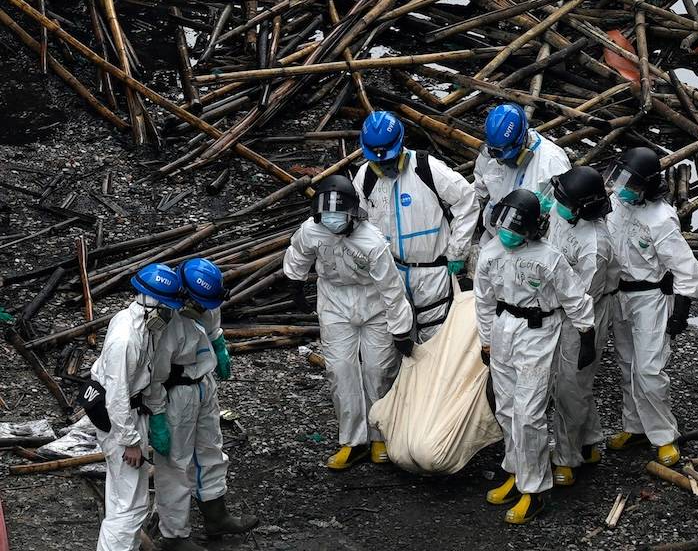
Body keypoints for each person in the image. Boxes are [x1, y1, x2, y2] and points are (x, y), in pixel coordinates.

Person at [474, 189, 595, 524]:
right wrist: (486, 342)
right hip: (504, 327)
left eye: (516, 225)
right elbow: (483, 301)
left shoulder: (549, 257)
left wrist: (587, 335)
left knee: (529, 413)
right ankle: (515, 471)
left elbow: (574, 298)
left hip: (538, 331)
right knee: (508, 409)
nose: (508, 231)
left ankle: (535, 489)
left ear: (532, 228)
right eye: (504, 223)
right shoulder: (490, 252)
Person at [283, 175, 415, 469]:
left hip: (374, 305)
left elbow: (392, 290)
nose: (331, 220)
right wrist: (295, 284)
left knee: (378, 370)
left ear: (353, 213)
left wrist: (401, 329)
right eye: (326, 215)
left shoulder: (372, 241)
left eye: (337, 215)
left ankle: (381, 434)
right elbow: (298, 254)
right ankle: (353, 441)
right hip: (334, 303)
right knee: (340, 371)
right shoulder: (311, 231)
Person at [605, 147, 698, 467]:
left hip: (650, 297)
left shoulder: (661, 218)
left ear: (647, 186)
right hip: (621, 294)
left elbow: (685, 267)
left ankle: (664, 435)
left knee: (649, 370)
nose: (620, 187)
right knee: (626, 363)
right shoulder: (617, 206)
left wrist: (681, 309)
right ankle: (634, 427)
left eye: (629, 183)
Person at [149, 258, 257, 551]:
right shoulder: (164, 320)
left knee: (211, 450)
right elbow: (153, 376)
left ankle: (216, 515)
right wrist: (157, 415)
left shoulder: (207, 298)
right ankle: (174, 535)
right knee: (175, 465)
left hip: (203, 385)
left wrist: (219, 346)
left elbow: (212, 326)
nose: (204, 310)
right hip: (176, 393)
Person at [353, 110, 478, 342]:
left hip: (432, 273)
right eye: (378, 161)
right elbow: (359, 226)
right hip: (391, 273)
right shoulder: (365, 177)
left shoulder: (426, 168)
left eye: (388, 159)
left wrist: (457, 251)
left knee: (434, 341)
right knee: (395, 341)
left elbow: (466, 200)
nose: (384, 165)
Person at [84, 263, 183, 551]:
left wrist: (156, 413)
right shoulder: (126, 338)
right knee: (129, 505)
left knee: (123, 498)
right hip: (120, 416)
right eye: (168, 307)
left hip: (131, 411)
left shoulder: (146, 328)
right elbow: (116, 394)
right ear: (151, 303)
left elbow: (148, 374)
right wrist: (129, 442)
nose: (172, 313)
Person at [547, 167, 620, 486]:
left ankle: (566, 457)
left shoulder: (595, 244)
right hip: (557, 301)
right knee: (568, 383)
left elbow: (581, 296)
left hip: (584, 312)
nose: (556, 204)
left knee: (570, 386)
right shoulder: (563, 211)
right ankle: (589, 441)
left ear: (582, 209)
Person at [474, 104, 571, 243]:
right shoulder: (492, 152)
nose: (503, 161)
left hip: (527, 245)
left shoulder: (551, 162)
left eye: (509, 157)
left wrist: (550, 209)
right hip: (492, 237)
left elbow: (562, 221)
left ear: (522, 140)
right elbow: (479, 190)